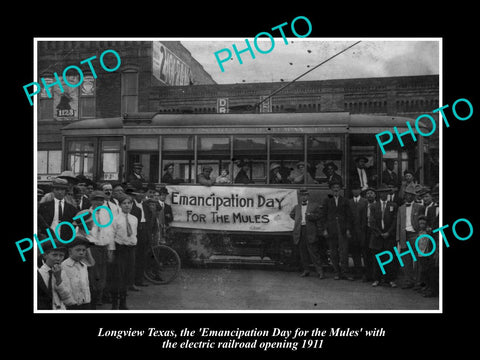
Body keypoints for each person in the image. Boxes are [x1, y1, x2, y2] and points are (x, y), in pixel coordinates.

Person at [320, 180, 353, 280]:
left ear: (340, 189)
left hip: (342, 229)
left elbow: (349, 216)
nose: (336, 190)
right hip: (331, 229)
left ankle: (345, 272)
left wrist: (348, 229)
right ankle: (336, 272)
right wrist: (324, 229)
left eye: (337, 188)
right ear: (331, 189)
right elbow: (323, 216)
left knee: (344, 252)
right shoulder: (327, 201)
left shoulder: (345, 200)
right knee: (333, 252)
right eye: (334, 188)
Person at [110, 193, 138, 310]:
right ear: (120, 205)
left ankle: (123, 303)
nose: (127, 206)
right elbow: (112, 236)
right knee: (118, 277)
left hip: (130, 250)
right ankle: (115, 304)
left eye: (129, 203)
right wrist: (111, 251)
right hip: (119, 250)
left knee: (127, 275)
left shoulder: (134, 219)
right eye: (124, 203)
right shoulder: (115, 219)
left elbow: (134, 235)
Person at [88, 190, 115, 307]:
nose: (98, 203)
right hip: (92, 248)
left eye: (101, 200)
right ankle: (92, 298)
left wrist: (110, 249)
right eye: (96, 200)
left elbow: (110, 232)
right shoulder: (85, 214)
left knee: (103, 274)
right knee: (93, 274)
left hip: (103, 247)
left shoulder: (106, 214)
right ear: (91, 201)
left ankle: (100, 297)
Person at [290, 188, 325, 279]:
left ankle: (320, 271)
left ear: (308, 196)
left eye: (305, 195)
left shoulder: (314, 205)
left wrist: (311, 216)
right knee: (303, 252)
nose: (303, 197)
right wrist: (299, 221)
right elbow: (292, 214)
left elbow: (320, 215)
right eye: (301, 195)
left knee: (313, 252)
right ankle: (306, 270)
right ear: (300, 197)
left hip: (310, 231)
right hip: (300, 230)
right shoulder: (297, 207)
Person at [396, 183, 424, 289]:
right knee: (406, 260)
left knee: (417, 260)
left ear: (414, 196)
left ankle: (418, 281)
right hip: (404, 236)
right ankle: (408, 280)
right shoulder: (401, 208)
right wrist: (398, 238)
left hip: (415, 235)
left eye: (411, 195)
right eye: (407, 194)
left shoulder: (419, 207)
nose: (409, 196)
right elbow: (398, 224)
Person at [369, 184, 398, 288]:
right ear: (379, 194)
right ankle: (377, 279)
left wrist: (388, 233)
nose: (383, 194)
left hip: (388, 237)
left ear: (388, 194)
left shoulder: (393, 205)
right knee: (377, 259)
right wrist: (379, 233)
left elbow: (395, 221)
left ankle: (390, 280)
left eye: (385, 192)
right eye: (381, 192)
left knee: (389, 259)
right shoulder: (373, 206)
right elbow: (372, 221)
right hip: (377, 237)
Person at [37, 239, 76, 310]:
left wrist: (58, 279)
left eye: (61, 255)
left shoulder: (63, 273)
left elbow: (68, 299)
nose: (58, 258)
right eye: (54, 255)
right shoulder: (39, 273)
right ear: (45, 255)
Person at [38, 178, 78, 242]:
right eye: (57, 189)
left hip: (65, 239)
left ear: (66, 191)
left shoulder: (72, 209)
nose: (59, 192)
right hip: (48, 239)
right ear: (53, 190)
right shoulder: (44, 206)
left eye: (62, 189)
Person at [62, 235, 94, 310]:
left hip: (85, 303)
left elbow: (85, 285)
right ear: (70, 251)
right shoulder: (64, 266)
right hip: (71, 305)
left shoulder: (84, 266)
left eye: (84, 250)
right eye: (78, 250)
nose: (81, 253)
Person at [130, 184, 151, 289]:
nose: (141, 195)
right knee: (133, 257)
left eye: (143, 193)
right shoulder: (131, 205)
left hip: (144, 231)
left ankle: (139, 279)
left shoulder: (146, 205)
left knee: (141, 257)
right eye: (139, 193)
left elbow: (149, 219)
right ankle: (131, 281)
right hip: (135, 231)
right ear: (135, 194)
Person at [348, 182, 368, 279]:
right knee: (355, 253)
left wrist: (364, 230)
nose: (355, 191)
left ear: (360, 190)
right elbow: (347, 217)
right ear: (352, 191)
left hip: (363, 231)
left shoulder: (365, 201)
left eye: (357, 189)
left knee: (365, 252)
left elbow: (366, 218)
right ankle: (357, 273)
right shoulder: (349, 202)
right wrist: (348, 230)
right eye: (354, 189)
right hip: (353, 232)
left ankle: (367, 273)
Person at [363, 187, 377, 282]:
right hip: (366, 231)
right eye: (368, 193)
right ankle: (368, 274)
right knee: (366, 253)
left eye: (371, 193)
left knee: (375, 253)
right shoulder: (364, 206)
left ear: (375, 195)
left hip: (375, 232)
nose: (370, 195)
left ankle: (375, 275)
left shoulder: (378, 205)